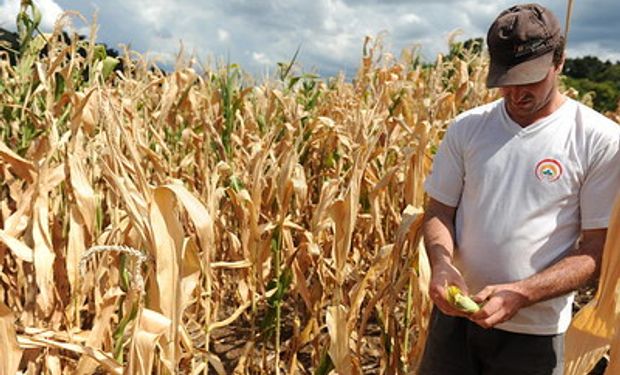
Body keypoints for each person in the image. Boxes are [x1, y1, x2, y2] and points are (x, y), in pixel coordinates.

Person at [418, 3, 620, 375]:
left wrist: (523, 293)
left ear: (558, 61)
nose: (516, 93)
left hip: (535, 336)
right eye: (507, 80)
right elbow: (439, 211)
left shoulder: (599, 140)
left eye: (530, 78)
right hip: (453, 324)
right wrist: (442, 266)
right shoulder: (467, 128)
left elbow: (595, 249)